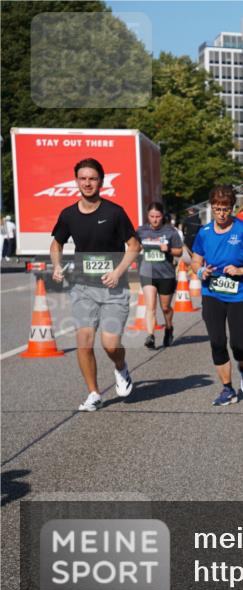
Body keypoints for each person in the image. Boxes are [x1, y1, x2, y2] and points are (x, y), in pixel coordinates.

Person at [50, 158, 142, 411]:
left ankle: (121, 367)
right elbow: (56, 243)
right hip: (82, 288)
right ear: (76, 181)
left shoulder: (114, 212)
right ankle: (93, 393)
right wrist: (57, 265)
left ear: (101, 181)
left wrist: (118, 271)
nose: (87, 183)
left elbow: (135, 246)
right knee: (85, 341)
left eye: (92, 178)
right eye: (83, 178)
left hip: (114, 288)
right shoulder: (68, 214)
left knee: (111, 345)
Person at [191, 185, 243, 406]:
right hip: (212, 293)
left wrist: (242, 270)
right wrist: (199, 271)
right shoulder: (204, 233)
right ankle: (227, 389)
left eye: (225, 209)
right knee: (217, 341)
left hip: (240, 294)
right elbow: (196, 260)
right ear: (211, 208)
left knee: (240, 344)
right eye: (217, 209)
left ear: (232, 208)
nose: (221, 214)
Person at [137, 202, 183, 349]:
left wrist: (168, 249)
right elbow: (134, 246)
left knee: (165, 308)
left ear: (162, 216)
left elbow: (179, 252)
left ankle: (169, 328)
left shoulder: (171, 232)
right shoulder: (141, 231)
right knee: (150, 306)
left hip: (166, 274)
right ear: (147, 216)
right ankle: (150, 336)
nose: (155, 219)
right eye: (152, 216)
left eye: (157, 216)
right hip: (147, 272)